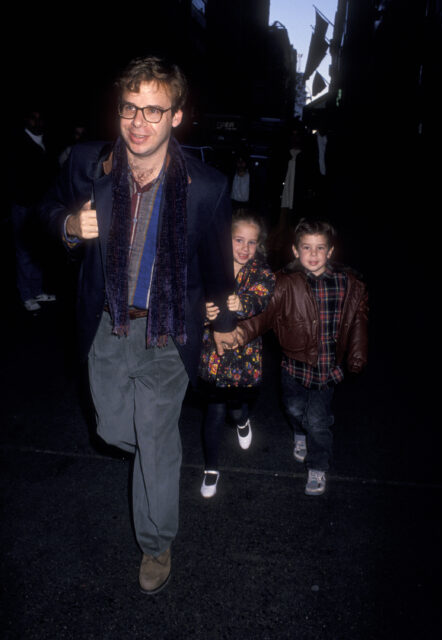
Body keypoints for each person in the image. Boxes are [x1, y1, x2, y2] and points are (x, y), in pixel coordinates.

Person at [40, 55, 240, 595]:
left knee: (154, 440)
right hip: (108, 325)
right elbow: (45, 207)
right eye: (130, 107)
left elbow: (219, 263)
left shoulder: (206, 186)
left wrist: (227, 318)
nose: (139, 122)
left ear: (176, 117)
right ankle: (157, 452)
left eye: (154, 110)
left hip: (167, 330)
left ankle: (156, 542)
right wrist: (66, 225)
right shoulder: (90, 163)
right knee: (109, 430)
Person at [237, 218, 368, 496]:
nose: (313, 254)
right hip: (293, 367)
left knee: (318, 421)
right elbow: (263, 316)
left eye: (320, 248)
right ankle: (299, 433)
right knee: (295, 410)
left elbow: (358, 319)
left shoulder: (347, 283)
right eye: (306, 248)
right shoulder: (285, 283)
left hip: (328, 369)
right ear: (296, 251)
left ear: (330, 251)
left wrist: (357, 353)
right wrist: (238, 334)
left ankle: (318, 466)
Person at [198, 209, 275, 498]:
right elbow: (195, 295)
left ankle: (243, 421)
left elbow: (260, 298)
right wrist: (203, 311)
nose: (244, 248)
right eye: (238, 240)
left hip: (243, 356)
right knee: (214, 410)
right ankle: (211, 468)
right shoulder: (212, 267)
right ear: (225, 239)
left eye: (251, 242)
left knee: (235, 407)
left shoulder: (262, 272)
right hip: (214, 356)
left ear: (259, 245)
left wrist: (240, 303)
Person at [10, 109, 57, 311]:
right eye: (32, 117)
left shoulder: (47, 141)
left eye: (40, 117)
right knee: (23, 251)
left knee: (38, 250)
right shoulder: (17, 143)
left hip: (42, 205)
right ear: (25, 119)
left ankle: (37, 291)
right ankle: (26, 295)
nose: (37, 121)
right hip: (23, 205)